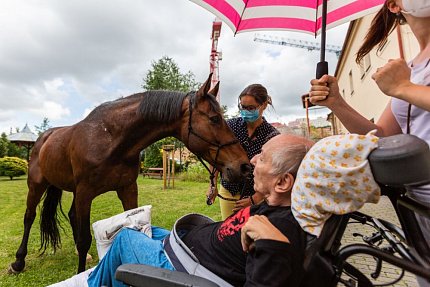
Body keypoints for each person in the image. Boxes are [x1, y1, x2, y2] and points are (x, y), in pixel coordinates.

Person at [50, 134, 313, 287]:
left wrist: (272, 244)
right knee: (145, 230)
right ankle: (109, 272)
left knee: (126, 238)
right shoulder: (277, 204)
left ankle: (92, 282)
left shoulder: (277, 234)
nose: (253, 159)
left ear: (283, 182)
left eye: (263, 158)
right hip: (187, 247)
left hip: (189, 268)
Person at [309, 1, 430, 285]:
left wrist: (404, 88)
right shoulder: (409, 68)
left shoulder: (403, 80)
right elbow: (383, 135)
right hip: (418, 210)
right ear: (395, 4)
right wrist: (336, 102)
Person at [208, 84, 280, 220]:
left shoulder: (272, 136)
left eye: (251, 108)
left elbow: (274, 173)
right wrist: (212, 184)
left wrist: (255, 199)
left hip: (256, 196)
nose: (246, 111)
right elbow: (217, 156)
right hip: (229, 190)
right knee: (227, 231)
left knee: (251, 235)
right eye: (242, 107)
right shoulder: (229, 127)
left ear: (263, 105)